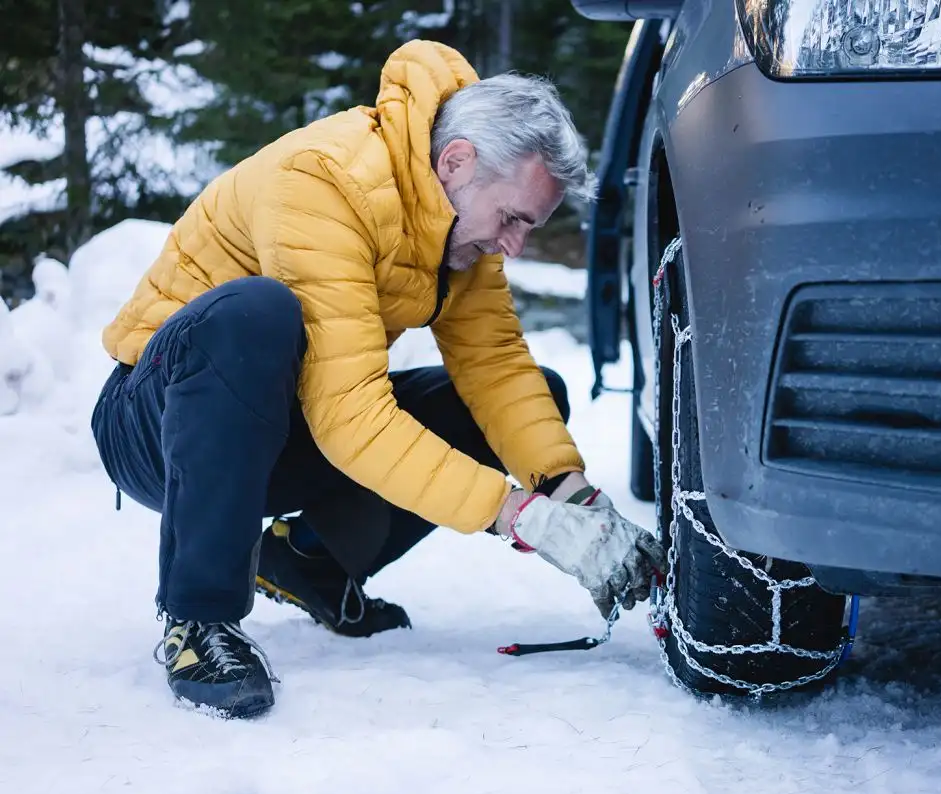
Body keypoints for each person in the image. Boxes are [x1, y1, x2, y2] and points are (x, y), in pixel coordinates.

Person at [89, 40, 667, 720]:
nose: (514, 245)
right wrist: (522, 518)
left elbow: (496, 367)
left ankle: (310, 559)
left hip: (279, 429)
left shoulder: (457, 217)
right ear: (456, 162)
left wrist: (573, 497)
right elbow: (352, 419)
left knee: (528, 392)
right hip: (160, 423)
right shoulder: (326, 181)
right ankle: (199, 622)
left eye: (528, 227)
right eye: (512, 219)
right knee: (257, 315)